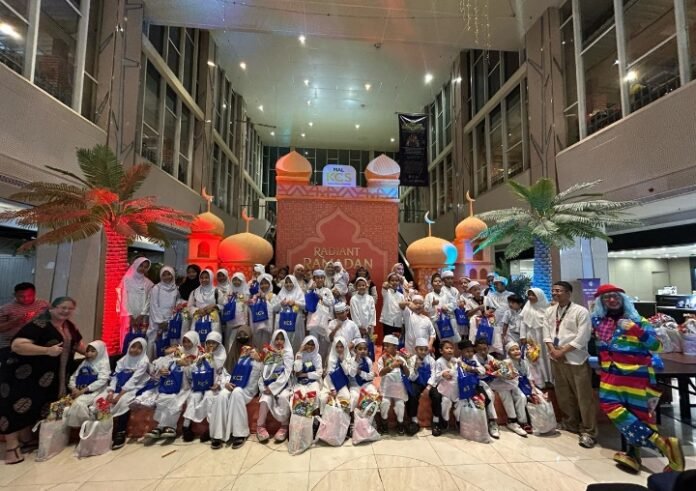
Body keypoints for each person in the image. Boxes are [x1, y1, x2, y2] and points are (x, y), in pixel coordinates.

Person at [592, 284, 684, 473]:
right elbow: (601, 346)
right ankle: (663, 443)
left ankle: (634, 455)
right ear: (601, 302)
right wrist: (601, 364)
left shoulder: (638, 321)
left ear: (623, 299)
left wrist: (635, 330)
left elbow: (657, 346)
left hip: (636, 376)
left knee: (639, 416)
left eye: (615, 296)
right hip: (610, 374)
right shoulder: (599, 323)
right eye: (606, 297)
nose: (611, 300)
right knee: (611, 407)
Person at [0, 296, 85, 464]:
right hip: (23, 375)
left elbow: (79, 345)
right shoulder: (38, 324)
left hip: (49, 378)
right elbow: (17, 345)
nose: (65, 311)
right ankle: (12, 447)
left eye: (69, 308)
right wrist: (46, 351)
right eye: (62, 307)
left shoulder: (69, 327)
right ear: (52, 308)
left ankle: (26, 440)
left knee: (35, 406)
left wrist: (97, 353)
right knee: (14, 408)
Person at [543, 280, 597, 448]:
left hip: (576, 359)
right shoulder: (550, 311)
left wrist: (563, 351)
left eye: (559, 290)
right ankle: (570, 423)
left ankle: (588, 431)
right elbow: (546, 333)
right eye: (553, 290)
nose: (555, 293)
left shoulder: (580, 311)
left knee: (583, 396)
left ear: (568, 293)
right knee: (563, 394)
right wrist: (553, 350)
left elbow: (583, 336)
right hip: (556, 358)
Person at [142, 331, 200, 440]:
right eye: (184, 341)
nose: (186, 344)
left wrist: (187, 366)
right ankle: (160, 427)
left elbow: (198, 372)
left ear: (195, 341)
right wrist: (165, 367)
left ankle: (169, 427)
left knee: (175, 400)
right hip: (173, 384)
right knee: (164, 397)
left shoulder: (200, 354)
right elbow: (159, 363)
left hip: (188, 386)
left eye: (189, 341)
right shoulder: (179, 352)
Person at [211, 344, 262, 449]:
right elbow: (228, 375)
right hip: (234, 385)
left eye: (251, 350)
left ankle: (240, 433)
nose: (248, 351)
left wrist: (259, 360)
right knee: (222, 394)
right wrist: (226, 383)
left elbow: (262, 375)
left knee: (237, 392)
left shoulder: (259, 361)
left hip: (248, 390)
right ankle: (219, 434)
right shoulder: (239, 359)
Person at [182, 331, 227, 443]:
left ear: (219, 344)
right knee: (193, 397)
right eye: (208, 343)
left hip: (215, 387)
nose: (211, 345)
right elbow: (192, 373)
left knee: (210, 397)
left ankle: (211, 429)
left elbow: (224, 374)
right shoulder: (202, 356)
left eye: (213, 343)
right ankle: (186, 426)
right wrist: (194, 363)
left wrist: (219, 384)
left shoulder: (223, 357)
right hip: (201, 385)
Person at [109, 337, 150, 450]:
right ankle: (105, 430)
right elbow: (114, 377)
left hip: (135, 387)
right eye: (133, 346)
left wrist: (119, 395)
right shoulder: (122, 360)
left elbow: (134, 381)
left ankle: (120, 431)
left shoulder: (143, 361)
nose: (135, 350)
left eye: (139, 348)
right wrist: (111, 391)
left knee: (124, 401)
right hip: (118, 387)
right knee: (102, 399)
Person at [256, 329, 294, 443]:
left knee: (283, 397)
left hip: (284, 385)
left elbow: (287, 373)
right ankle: (260, 426)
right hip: (268, 385)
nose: (279, 341)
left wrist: (273, 388)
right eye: (276, 339)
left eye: (282, 339)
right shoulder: (268, 352)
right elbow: (263, 372)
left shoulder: (287, 353)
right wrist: (264, 387)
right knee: (265, 399)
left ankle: (284, 426)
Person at [64, 340, 111, 428]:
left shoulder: (103, 363)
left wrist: (83, 391)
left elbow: (102, 380)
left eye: (93, 351)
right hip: (78, 391)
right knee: (61, 406)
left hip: (95, 391)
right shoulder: (85, 362)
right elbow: (74, 376)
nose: (89, 353)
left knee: (79, 404)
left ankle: (85, 427)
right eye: (88, 351)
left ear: (100, 351)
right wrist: (73, 388)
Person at [490, 341, 531, 437]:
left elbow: (529, 376)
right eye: (512, 350)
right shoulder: (505, 362)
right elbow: (501, 375)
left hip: (515, 385)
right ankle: (512, 421)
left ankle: (523, 422)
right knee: (506, 395)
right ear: (508, 353)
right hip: (502, 385)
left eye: (517, 349)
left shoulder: (524, 362)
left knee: (522, 397)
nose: (516, 351)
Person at [460, 339, 499, 439]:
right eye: (467, 351)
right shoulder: (458, 361)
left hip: (477, 383)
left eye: (471, 351)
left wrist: (472, 368)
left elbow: (482, 370)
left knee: (489, 395)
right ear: (461, 351)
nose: (470, 354)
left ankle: (492, 422)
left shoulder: (473, 359)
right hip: (463, 388)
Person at [0, 283, 49, 358]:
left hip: (37, 345)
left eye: (30, 295)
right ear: (15, 295)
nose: (26, 298)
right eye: (21, 296)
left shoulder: (44, 304)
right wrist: (16, 321)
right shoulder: (5, 309)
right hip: (10, 345)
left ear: (34, 293)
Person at [117, 257, 154, 351]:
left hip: (143, 318)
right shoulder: (126, 280)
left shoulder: (149, 284)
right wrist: (130, 316)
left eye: (145, 267)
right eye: (141, 265)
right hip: (128, 317)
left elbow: (149, 301)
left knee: (140, 341)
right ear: (136, 265)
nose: (143, 268)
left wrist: (141, 315)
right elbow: (123, 298)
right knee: (127, 340)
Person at [376, 334, 409, 435]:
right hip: (386, 389)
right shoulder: (382, 358)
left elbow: (407, 374)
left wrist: (403, 365)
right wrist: (391, 366)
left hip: (399, 389)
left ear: (395, 347)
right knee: (385, 403)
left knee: (400, 405)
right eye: (384, 345)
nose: (385, 348)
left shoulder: (401, 358)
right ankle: (384, 424)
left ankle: (400, 424)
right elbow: (381, 373)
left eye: (387, 345)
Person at [147, 266, 183, 358]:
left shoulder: (175, 289)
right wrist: (160, 322)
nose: (167, 277)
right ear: (161, 276)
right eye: (164, 275)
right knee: (154, 342)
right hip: (157, 321)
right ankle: (151, 363)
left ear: (173, 275)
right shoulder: (156, 288)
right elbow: (154, 306)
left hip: (170, 320)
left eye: (169, 274)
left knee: (168, 343)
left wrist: (180, 305)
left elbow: (177, 303)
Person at [520, 288, 552, 387]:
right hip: (531, 337)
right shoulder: (527, 307)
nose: (530, 297)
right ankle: (539, 382)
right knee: (534, 357)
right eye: (529, 295)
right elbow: (523, 323)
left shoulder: (548, 308)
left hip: (544, 337)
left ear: (539, 296)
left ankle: (550, 379)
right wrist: (523, 336)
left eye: (533, 295)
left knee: (546, 357)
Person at [405, 337, 438, 436]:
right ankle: (414, 421)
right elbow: (411, 378)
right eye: (421, 349)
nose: (423, 352)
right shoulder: (412, 360)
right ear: (416, 349)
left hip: (429, 383)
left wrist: (428, 387)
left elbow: (434, 374)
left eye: (425, 349)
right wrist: (415, 368)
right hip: (417, 382)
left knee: (437, 396)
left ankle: (436, 421)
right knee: (412, 394)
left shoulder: (431, 360)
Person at [305, 269, 335, 362]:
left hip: (325, 321)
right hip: (313, 321)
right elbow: (306, 306)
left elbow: (332, 302)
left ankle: (322, 364)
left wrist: (322, 298)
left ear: (324, 279)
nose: (320, 280)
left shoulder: (327, 291)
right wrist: (311, 292)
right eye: (317, 278)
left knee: (324, 344)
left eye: (321, 278)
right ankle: (312, 364)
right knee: (313, 343)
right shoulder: (309, 291)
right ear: (314, 279)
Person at [425, 273, 460, 350]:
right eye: (435, 281)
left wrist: (447, 307)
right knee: (440, 344)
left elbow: (455, 304)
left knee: (452, 343)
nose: (438, 283)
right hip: (436, 322)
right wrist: (432, 304)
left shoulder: (447, 294)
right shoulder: (429, 295)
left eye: (439, 281)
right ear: (432, 283)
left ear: (442, 283)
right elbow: (426, 309)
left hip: (448, 320)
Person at [433, 340, 460, 434]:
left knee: (460, 403)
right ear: (441, 351)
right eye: (447, 348)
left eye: (451, 348)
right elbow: (436, 376)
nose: (449, 350)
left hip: (456, 388)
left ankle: (459, 421)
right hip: (445, 389)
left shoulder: (456, 361)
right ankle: (445, 420)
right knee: (445, 402)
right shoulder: (439, 362)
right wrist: (442, 374)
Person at [319, 336, 351, 414]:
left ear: (345, 347)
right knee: (323, 398)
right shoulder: (331, 357)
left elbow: (347, 372)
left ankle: (341, 417)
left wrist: (342, 361)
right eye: (337, 347)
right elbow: (330, 374)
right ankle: (324, 417)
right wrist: (332, 389)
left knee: (346, 397)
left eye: (341, 347)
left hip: (341, 383)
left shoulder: (347, 357)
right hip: (329, 383)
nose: (339, 349)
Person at [274, 275, 306, 353]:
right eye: (286, 282)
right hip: (283, 322)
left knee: (295, 341)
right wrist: (281, 304)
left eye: (290, 282)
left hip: (296, 322)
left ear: (294, 282)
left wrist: (295, 302)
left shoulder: (299, 293)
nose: (288, 284)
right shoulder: (281, 293)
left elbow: (304, 306)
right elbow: (274, 308)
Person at [187, 269, 221, 341]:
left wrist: (214, 306)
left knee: (212, 341)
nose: (204, 280)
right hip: (198, 319)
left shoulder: (217, 291)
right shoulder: (194, 292)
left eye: (206, 277)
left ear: (211, 278)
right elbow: (189, 307)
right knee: (196, 340)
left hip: (213, 320)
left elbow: (223, 305)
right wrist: (197, 310)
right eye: (202, 278)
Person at [294, 335, 323, 411]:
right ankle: (300, 416)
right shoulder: (299, 354)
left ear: (315, 345)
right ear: (304, 344)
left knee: (315, 393)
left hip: (313, 381)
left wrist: (305, 374)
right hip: (300, 382)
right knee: (300, 394)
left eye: (312, 344)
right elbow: (297, 371)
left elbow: (319, 373)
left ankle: (314, 415)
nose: (310, 346)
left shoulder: (317, 356)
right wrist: (300, 352)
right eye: (308, 344)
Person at [249, 273, 275, 351]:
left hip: (268, 326)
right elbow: (251, 310)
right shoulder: (255, 296)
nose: (264, 286)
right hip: (257, 325)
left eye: (266, 283)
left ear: (270, 284)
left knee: (267, 346)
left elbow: (275, 309)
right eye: (262, 284)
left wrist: (265, 300)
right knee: (257, 346)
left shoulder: (273, 296)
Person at [350, 277, 376, 344]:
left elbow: (373, 312)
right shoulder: (353, 299)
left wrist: (370, 325)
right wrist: (359, 326)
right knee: (359, 344)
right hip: (358, 327)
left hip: (369, 327)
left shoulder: (370, 298)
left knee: (369, 344)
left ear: (366, 286)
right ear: (356, 287)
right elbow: (354, 313)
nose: (361, 287)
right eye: (359, 285)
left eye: (363, 285)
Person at [380, 272, 405, 339]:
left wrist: (403, 322)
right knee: (387, 341)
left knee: (396, 342)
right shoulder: (386, 292)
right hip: (388, 321)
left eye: (396, 281)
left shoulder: (401, 295)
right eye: (392, 280)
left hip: (398, 322)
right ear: (389, 281)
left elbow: (403, 310)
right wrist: (387, 285)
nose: (394, 282)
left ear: (399, 282)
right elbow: (385, 285)